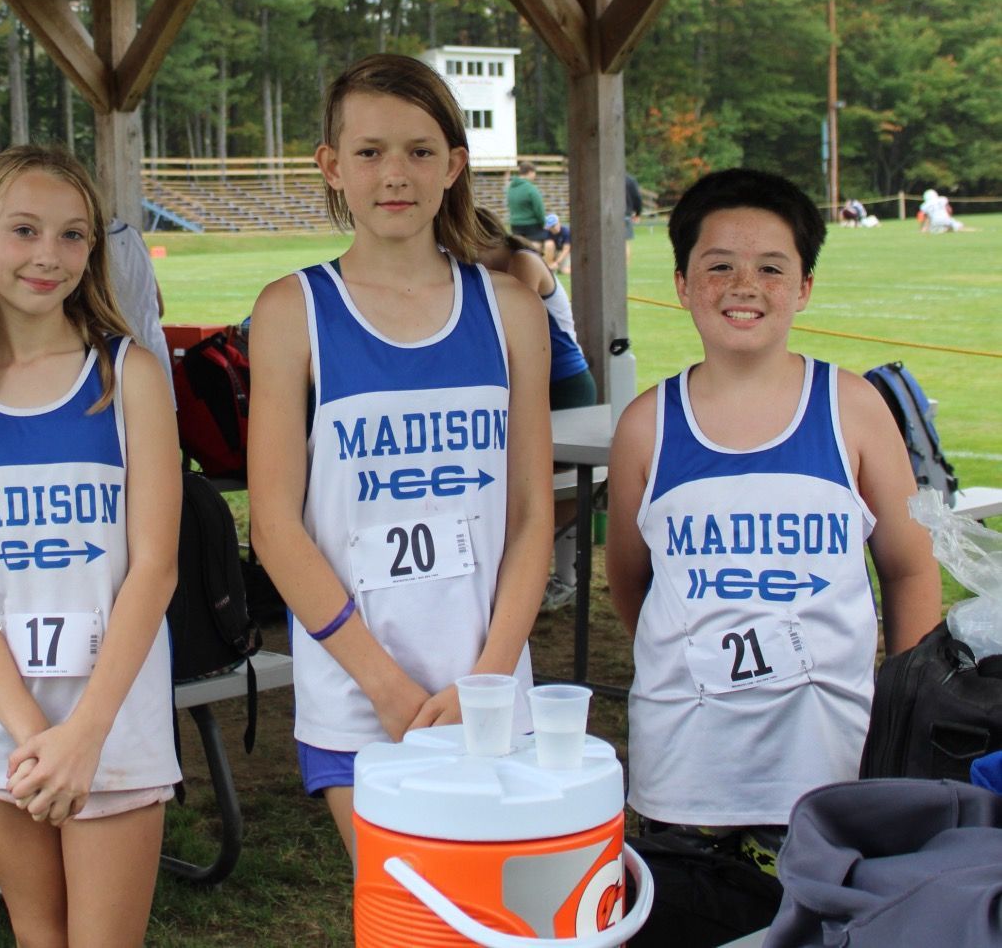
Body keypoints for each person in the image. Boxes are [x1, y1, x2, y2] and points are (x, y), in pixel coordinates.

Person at [248, 53, 553, 857]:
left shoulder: (511, 309)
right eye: (370, 151)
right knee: (409, 921)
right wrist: (382, 685)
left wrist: (488, 681)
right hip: (359, 694)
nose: (396, 174)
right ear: (332, 167)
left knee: (504, 920)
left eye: (421, 151)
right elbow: (275, 527)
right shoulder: (292, 311)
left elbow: (531, 516)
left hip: (487, 687)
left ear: (454, 165)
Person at [605, 168, 940, 894]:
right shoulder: (647, 427)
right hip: (685, 773)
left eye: (770, 267)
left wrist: (904, 717)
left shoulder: (851, 408)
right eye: (718, 265)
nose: (742, 285)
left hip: (828, 764)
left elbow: (911, 568)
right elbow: (631, 578)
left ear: (805, 288)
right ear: (683, 284)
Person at [0, 146, 181, 947]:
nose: (47, 256)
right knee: (39, 936)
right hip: (6, 717)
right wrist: (35, 740)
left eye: (72, 236)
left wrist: (85, 734)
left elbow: (154, 568)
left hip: (112, 711)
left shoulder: (125, 374)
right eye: (24, 230)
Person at [475, 211, 597, 612]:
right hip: (527, 385)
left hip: (564, 386)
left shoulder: (520, 263)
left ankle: (566, 578)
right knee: (529, 479)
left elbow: (510, 326)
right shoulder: (482, 275)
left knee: (558, 482)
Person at [106, 219, 173, 391]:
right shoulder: (134, 235)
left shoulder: (96, 244)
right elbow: (160, 306)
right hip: (154, 346)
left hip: (119, 356)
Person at [505, 160, 547, 242]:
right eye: (535, 173)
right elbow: (539, 209)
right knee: (550, 239)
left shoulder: (510, 188)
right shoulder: (531, 188)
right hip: (531, 226)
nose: (535, 176)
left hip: (515, 226)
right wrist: (543, 223)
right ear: (530, 172)